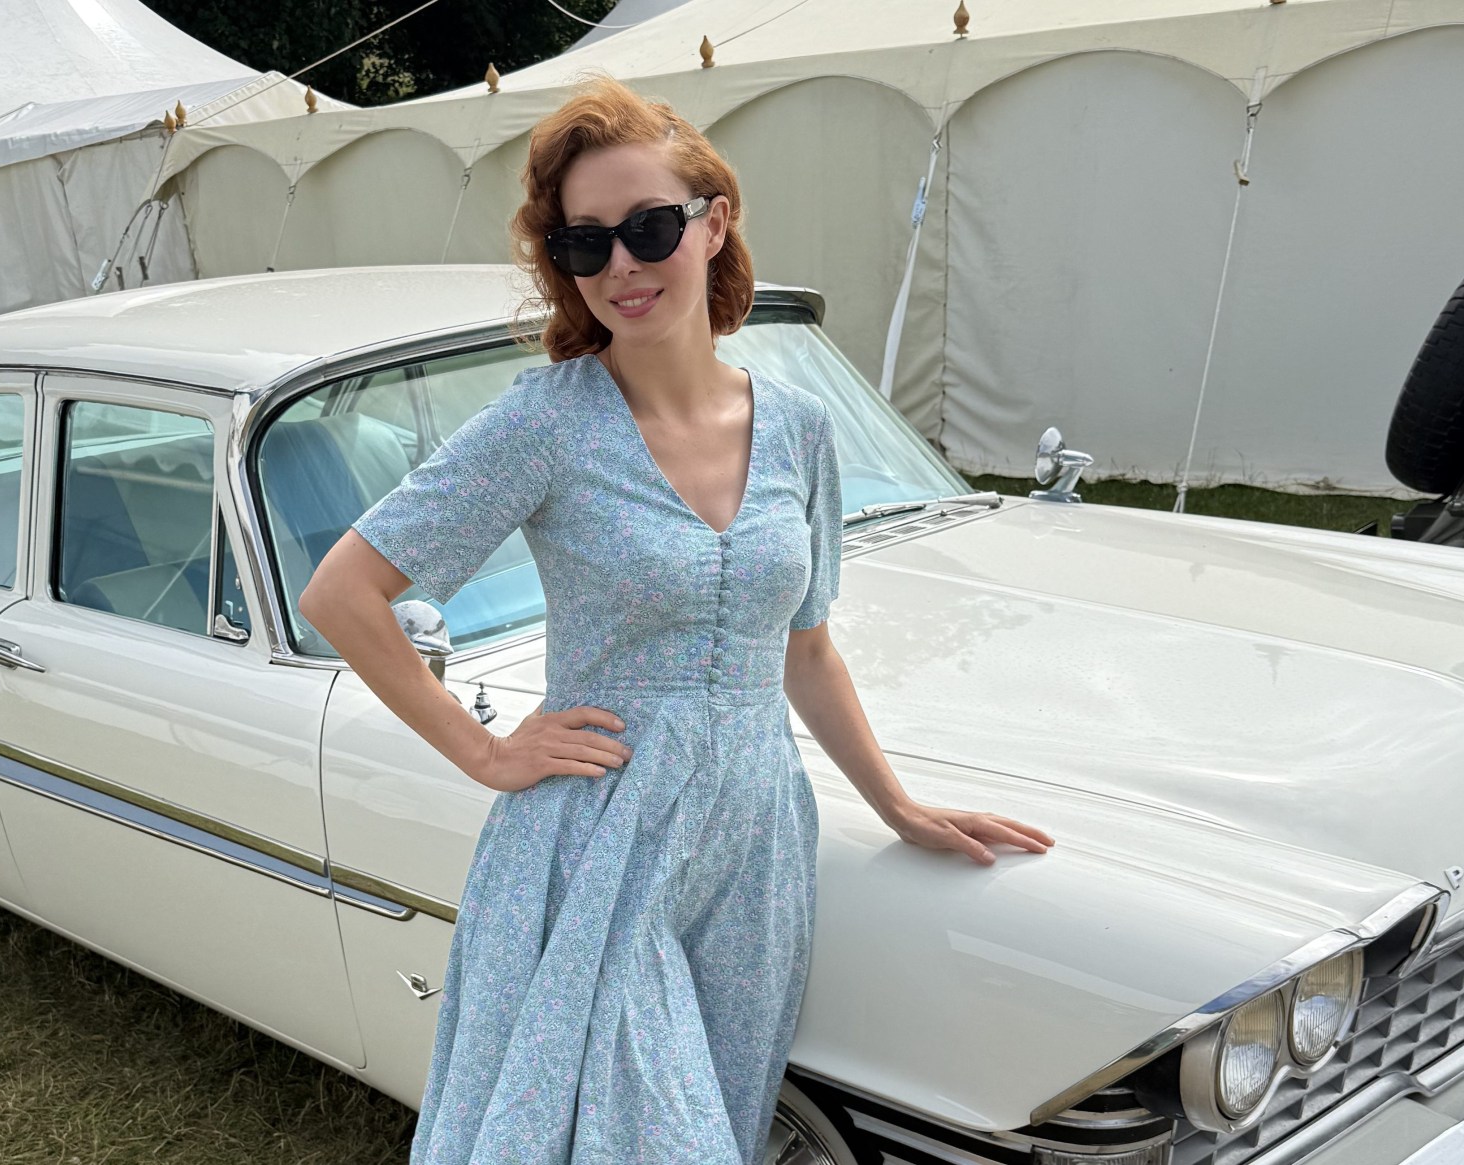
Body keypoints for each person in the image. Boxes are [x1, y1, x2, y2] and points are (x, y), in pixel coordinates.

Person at [297, 74, 1053, 1165]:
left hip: (755, 845)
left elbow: (805, 646)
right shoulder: (544, 424)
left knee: (716, 1121)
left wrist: (897, 804)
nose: (621, 265)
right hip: (599, 844)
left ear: (714, 221)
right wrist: (487, 752)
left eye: (648, 228)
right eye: (584, 244)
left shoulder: (799, 429)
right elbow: (342, 593)